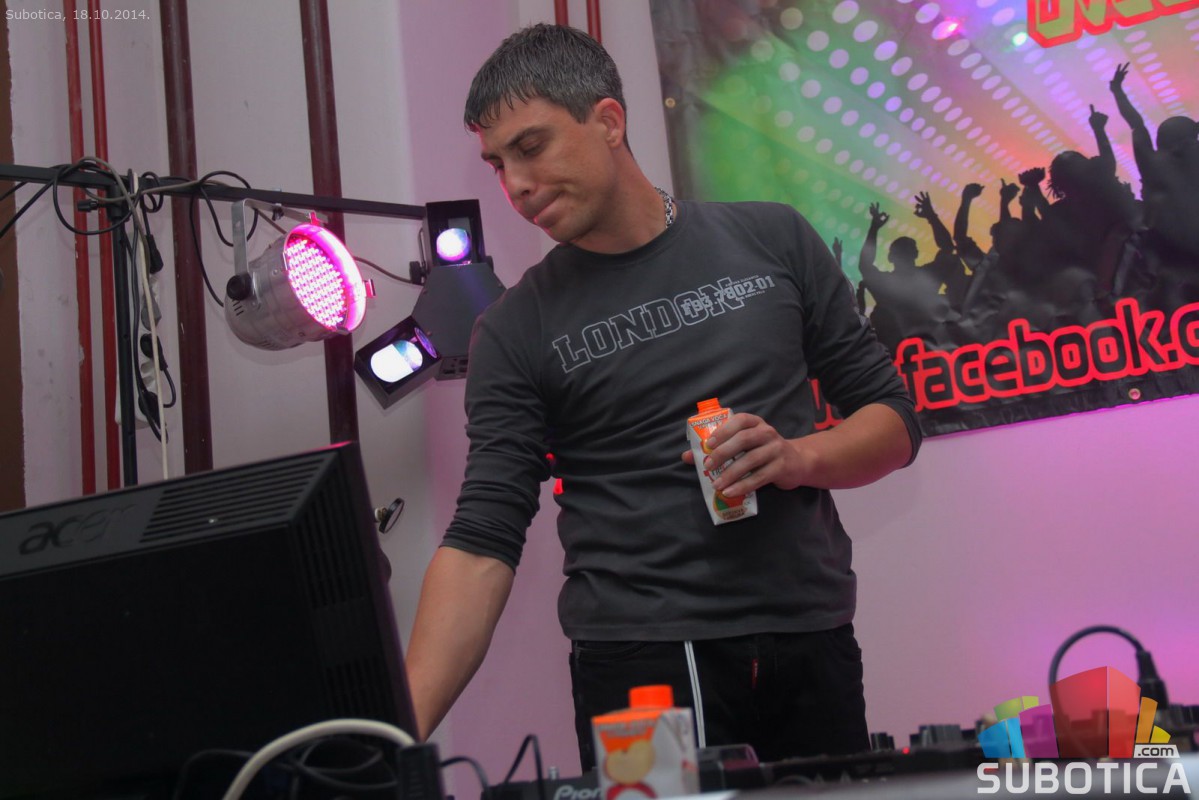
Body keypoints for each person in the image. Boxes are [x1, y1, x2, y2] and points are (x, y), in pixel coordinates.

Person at [403, 23, 922, 772]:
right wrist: (389, 739)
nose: (514, 185)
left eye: (531, 147)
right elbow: (483, 538)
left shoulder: (773, 239)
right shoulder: (514, 329)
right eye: (497, 163)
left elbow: (893, 422)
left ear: (608, 121)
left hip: (809, 636)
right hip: (638, 664)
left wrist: (797, 456)